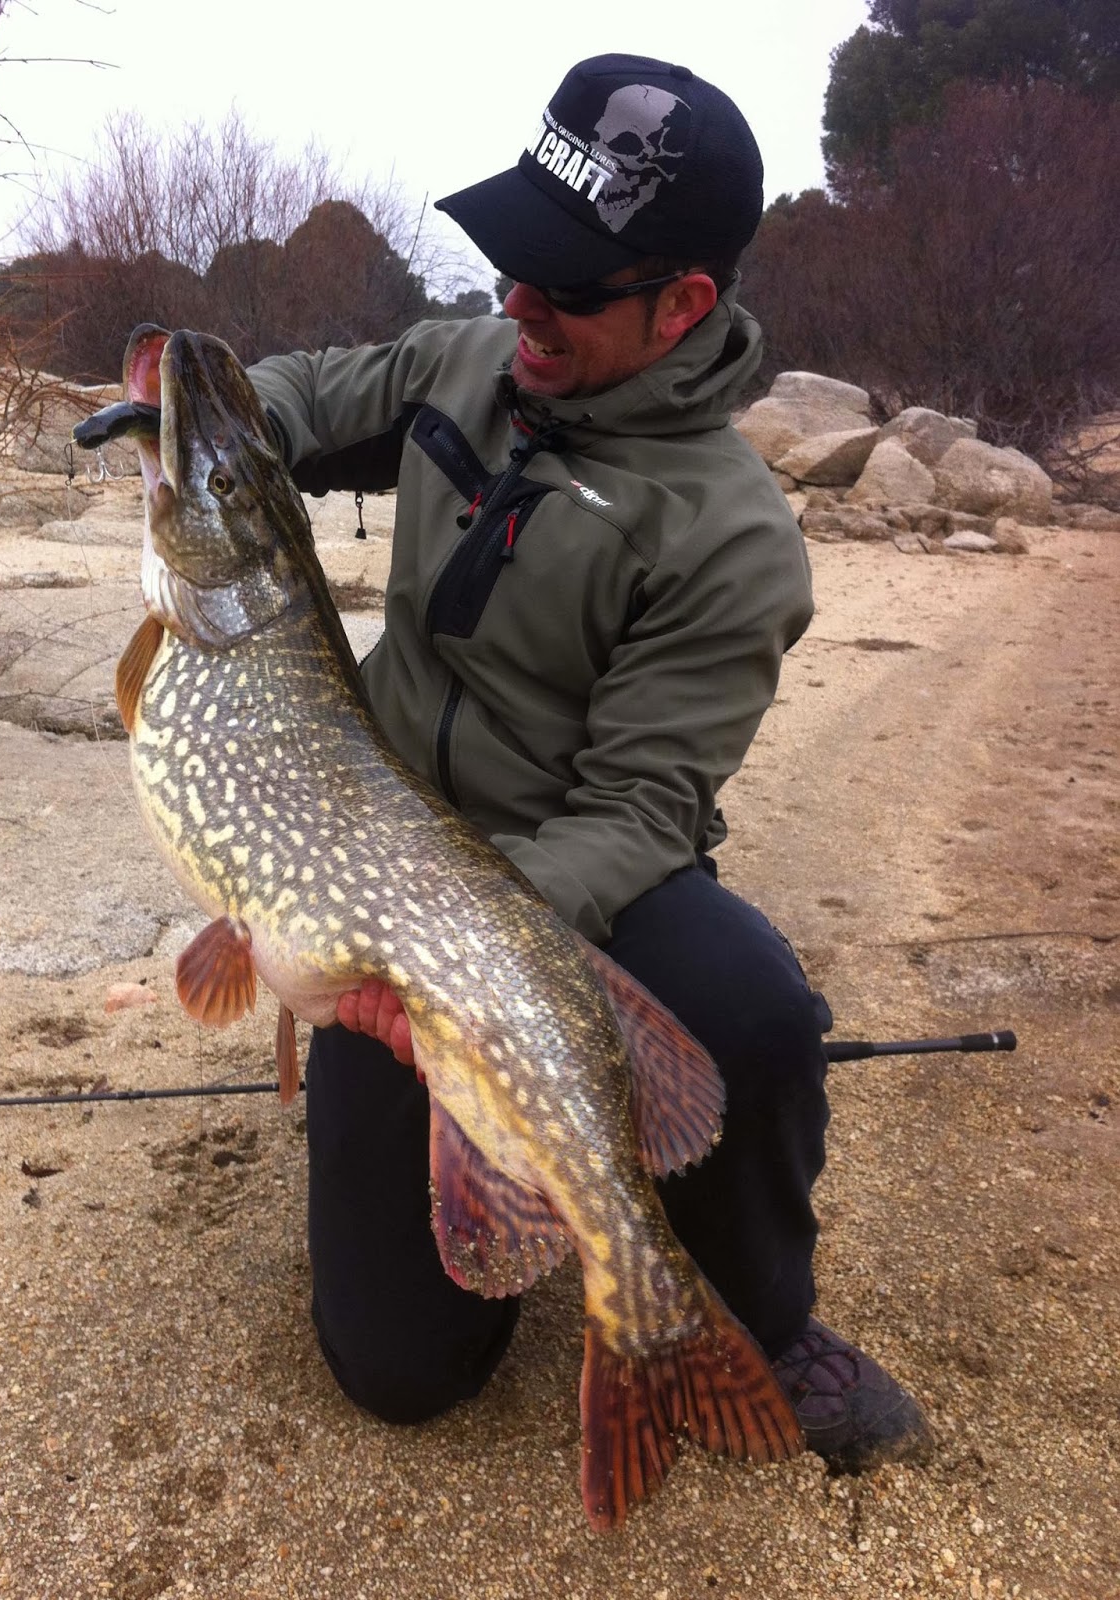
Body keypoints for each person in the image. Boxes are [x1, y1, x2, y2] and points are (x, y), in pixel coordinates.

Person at [247, 53, 933, 1473]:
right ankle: (496, 1214)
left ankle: (759, 1310)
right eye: (514, 261)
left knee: (751, 1014)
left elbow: (641, 808)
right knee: (398, 1375)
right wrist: (199, 424)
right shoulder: (464, 363)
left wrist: (450, 959)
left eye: (566, 286)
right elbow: (307, 399)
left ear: (684, 304)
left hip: (575, 867)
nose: (519, 306)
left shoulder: (733, 534)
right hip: (391, 841)